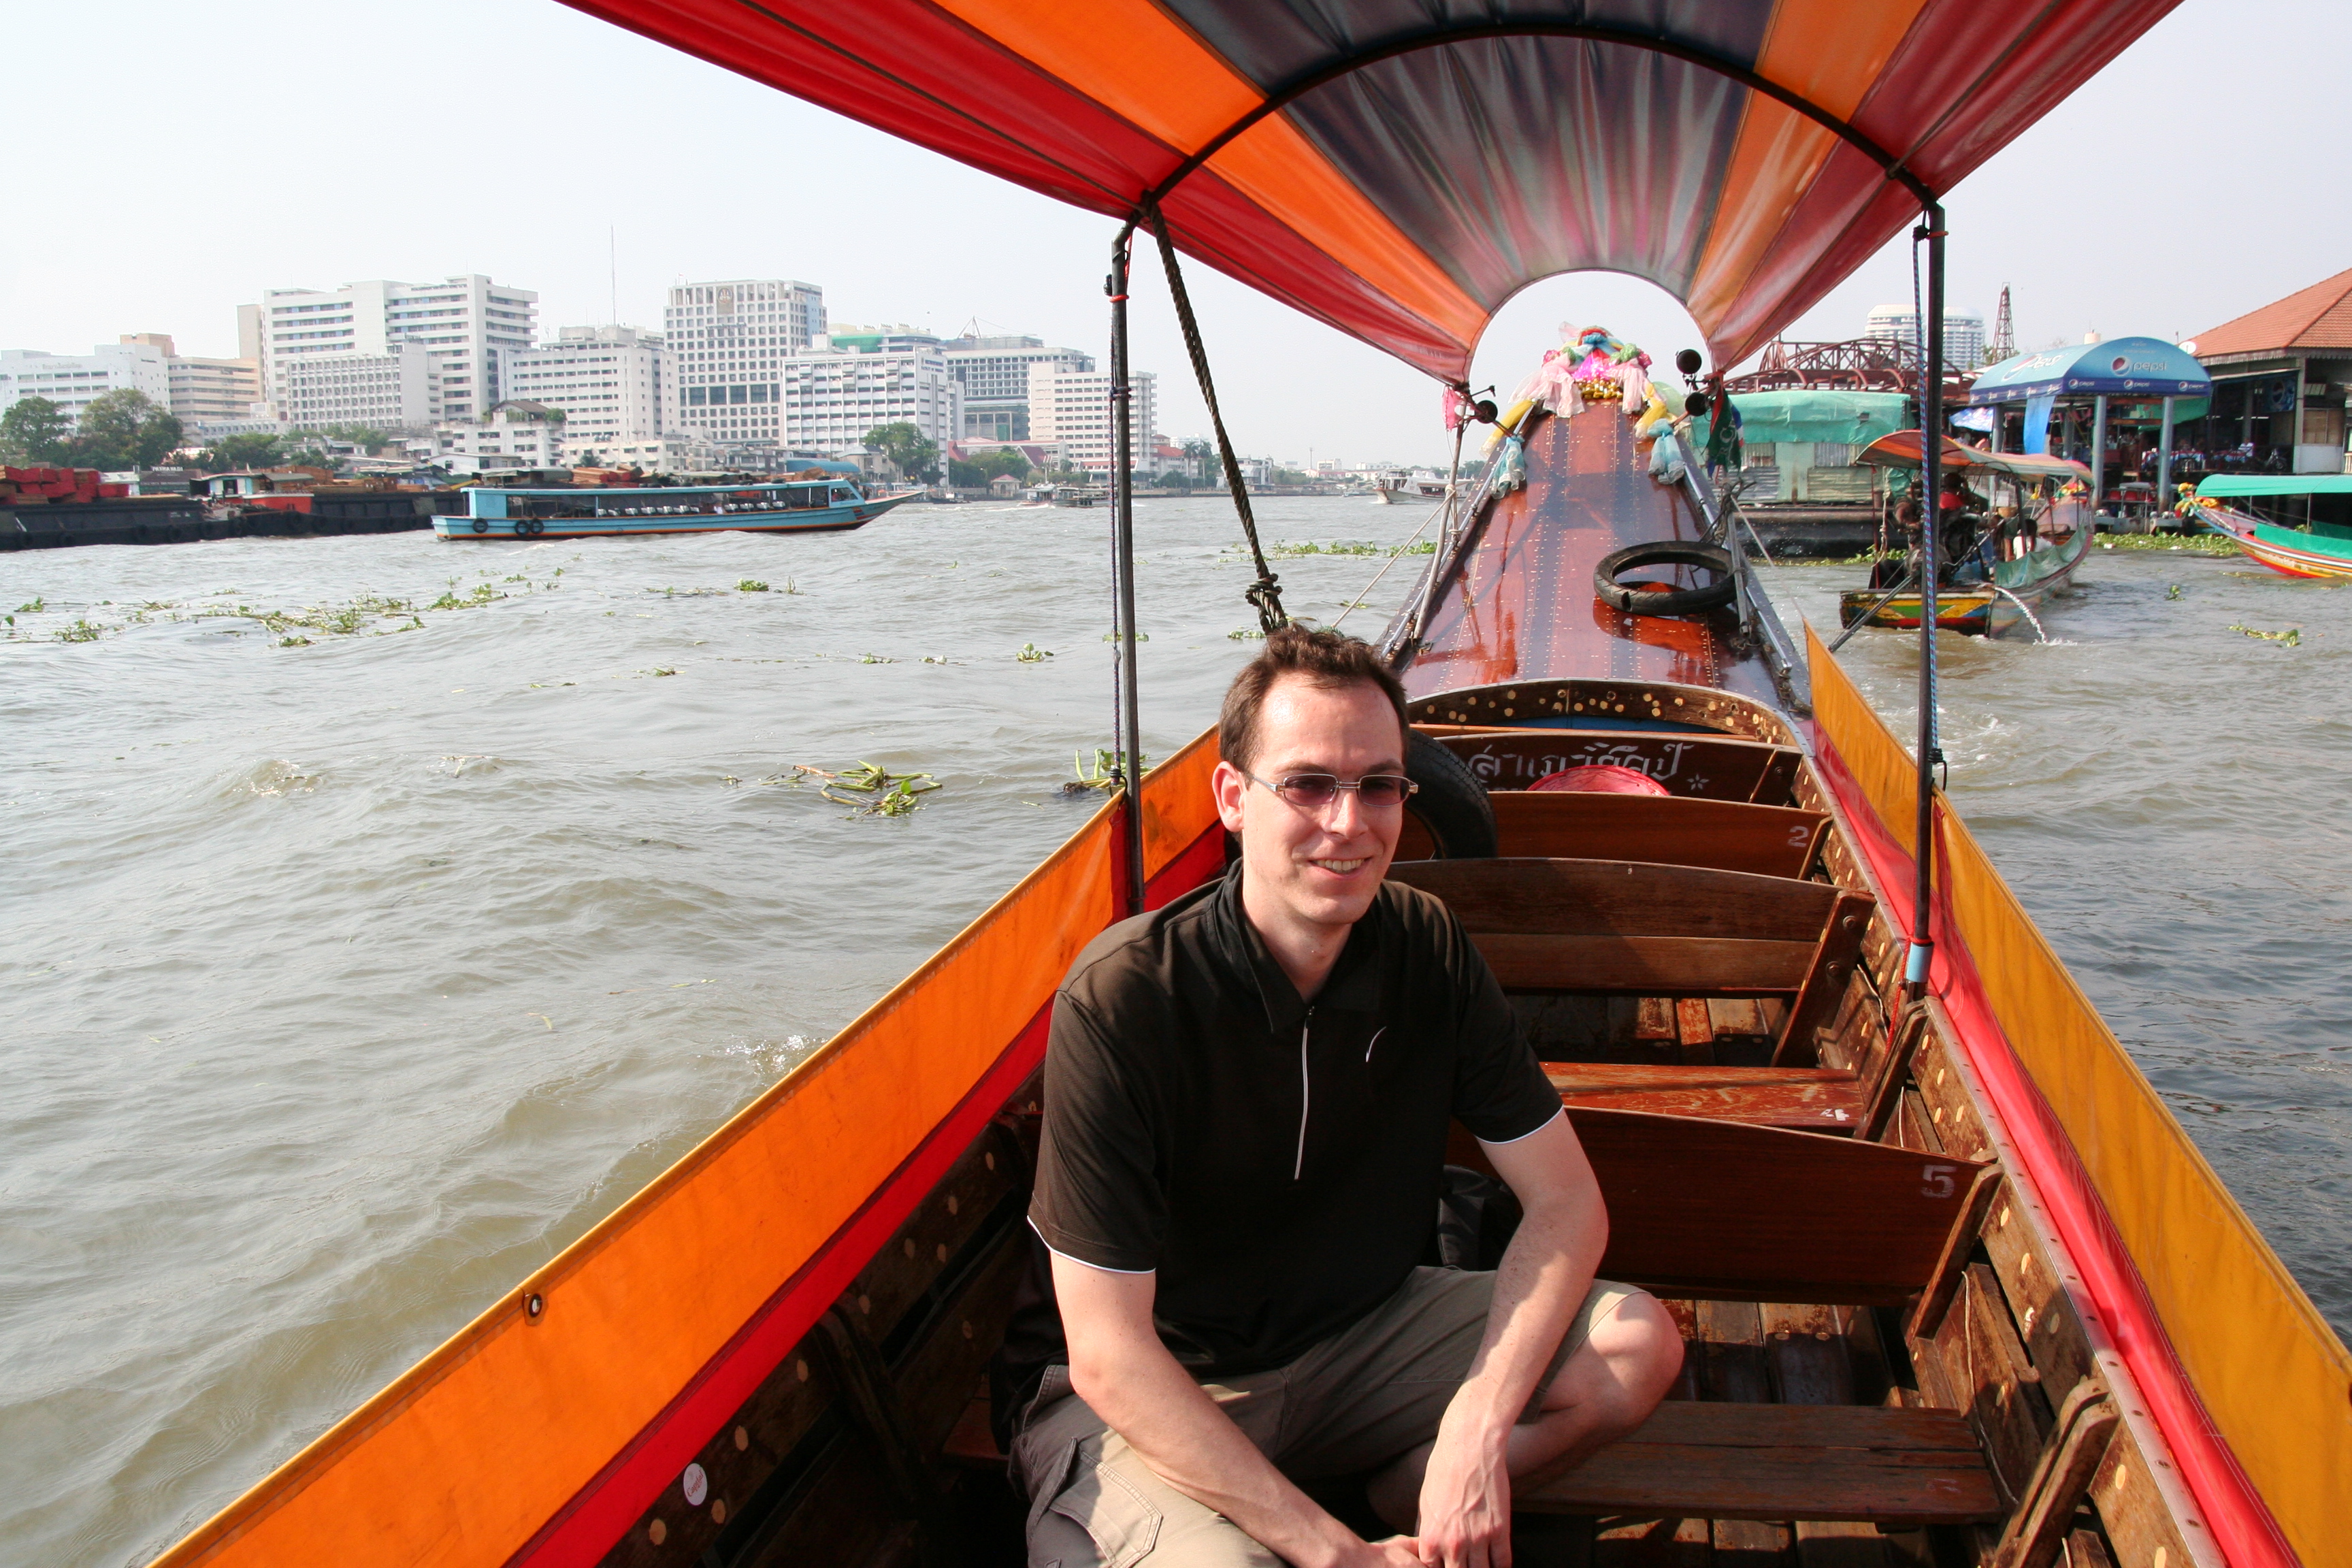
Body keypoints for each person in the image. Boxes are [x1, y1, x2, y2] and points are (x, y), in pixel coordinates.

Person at [998, 626, 1683, 1568]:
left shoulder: (1425, 945)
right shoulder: (1129, 997)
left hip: (1359, 1340)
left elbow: (1566, 1204)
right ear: (1233, 799)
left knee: (1635, 1347)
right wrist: (1337, 1556)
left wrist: (1477, 1425)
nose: (1349, 822)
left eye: (1379, 785)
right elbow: (1111, 1358)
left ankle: (1404, 1491)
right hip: (1161, 1386)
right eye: (1308, 784)